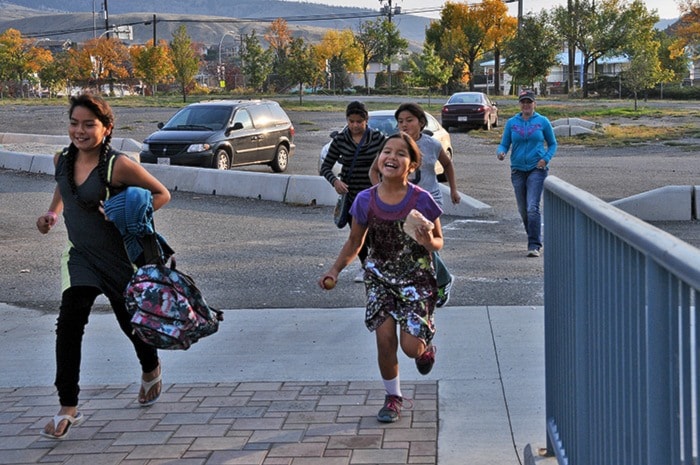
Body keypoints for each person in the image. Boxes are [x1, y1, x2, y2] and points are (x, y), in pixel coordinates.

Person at [36, 93, 171, 439]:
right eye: (74, 123)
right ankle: (68, 405)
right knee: (69, 323)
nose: (79, 131)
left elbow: (161, 194)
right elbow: (64, 188)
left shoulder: (118, 165)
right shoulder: (61, 159)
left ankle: (150, 367)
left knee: (130, 323)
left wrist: (128, 211)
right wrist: (52, 214)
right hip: (80, 257)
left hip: (118, 260)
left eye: (88, 124)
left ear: (107, 128)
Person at [319, 132, 444, 423]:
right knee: (385, 340)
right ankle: (393, 397)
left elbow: (439, 241)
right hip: (379, 278)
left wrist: (427, 241)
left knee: (410, 348)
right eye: (387, 151)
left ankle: (425, 350)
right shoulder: (365, 200)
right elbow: (354, 243)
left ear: (412, 166)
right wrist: (334, 270)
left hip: (416, 279)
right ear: (379, 159)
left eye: (401, 154)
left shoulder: (421, 200)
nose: (392, 157)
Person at [370, 102, 459, 307]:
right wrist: (381, 193)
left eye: (409, 120)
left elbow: (447, 164)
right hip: (402, 202)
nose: (404, 125)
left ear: (420, 122)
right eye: (400, 121)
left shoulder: (432, 144)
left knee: (423, 240)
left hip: (428, 201)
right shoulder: (393, 145)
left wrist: (453, 189)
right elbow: (373, 171)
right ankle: (423, 283)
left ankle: (441, 280)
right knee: (412, 245)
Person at [320, 101, 385, 282]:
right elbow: (325, 167)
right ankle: (366, 266)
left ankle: (378, 265)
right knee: (356, 235)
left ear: (366, 120)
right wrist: (335, 182)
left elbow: (389, 161)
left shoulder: (378, 138)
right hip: (351, 196)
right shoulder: (340, 140)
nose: (355, 125)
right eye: (351, 121)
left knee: (376, 233)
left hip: (375, 194)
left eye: (359, 121)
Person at [497, 89, 557, 257]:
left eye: (529, 102)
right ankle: (532, 234)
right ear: (519, 104)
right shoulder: (511, 123)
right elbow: (504, 144)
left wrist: (546, 159)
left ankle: (534, 245)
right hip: (517, 170)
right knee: (523, 210)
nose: (526, 105)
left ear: (534, 104)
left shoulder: (542, 122)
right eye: (523, 102)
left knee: (532, 207)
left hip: (536, 169)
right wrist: (500, 152)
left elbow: (552, 144)